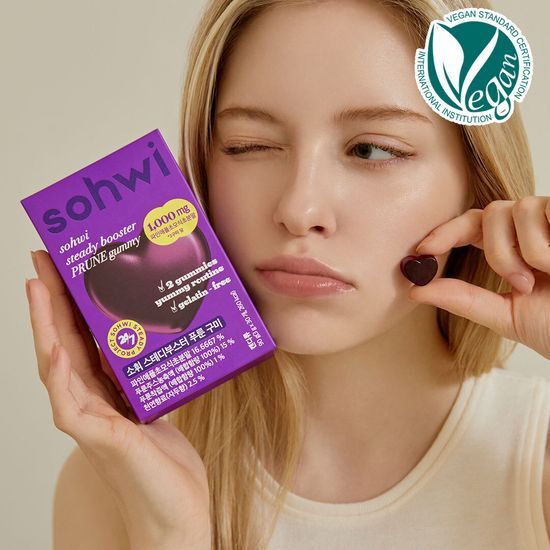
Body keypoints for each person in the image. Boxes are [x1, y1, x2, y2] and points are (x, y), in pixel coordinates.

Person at [24, 0, 550, 548]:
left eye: (372, 150)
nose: (299, 209)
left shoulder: (536, 464)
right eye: (249, 146)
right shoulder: (118, 483)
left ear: (478, 184)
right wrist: (169, 532)